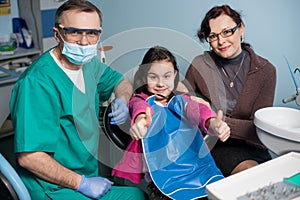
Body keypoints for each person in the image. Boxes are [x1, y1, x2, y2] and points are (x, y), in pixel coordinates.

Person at [9, 0, 146, 199]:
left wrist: (123, 99)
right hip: (52, 187)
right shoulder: (37, 82)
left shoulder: (89, 64)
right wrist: (81, 183)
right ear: (58, 34)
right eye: (74, 32)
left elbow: (120, 81)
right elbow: (30, 158)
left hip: (83, 173)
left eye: (92, 33)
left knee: (136, 195)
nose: (84, 42)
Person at [112, 46, 230, 200]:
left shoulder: (182, 100)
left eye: (167, 76)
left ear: (174, 75)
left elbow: (197, 111)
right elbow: (140, 110)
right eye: (153, 77)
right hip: (164, 176)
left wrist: (214, 123)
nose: (161, 83)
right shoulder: (141, 100)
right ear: (144, 77)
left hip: (197, 169)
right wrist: (140, 123)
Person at [184, 5, 276, 177]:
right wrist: (206, 120)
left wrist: (218, 121)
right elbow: (182, 104)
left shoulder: (266, 71)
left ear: (241, 28)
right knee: (250, 176)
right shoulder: (199, 65)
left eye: (227, 32)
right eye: (213, 36)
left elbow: (259, 129)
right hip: (215, 145)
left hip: (253, 146)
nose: (221, 41)